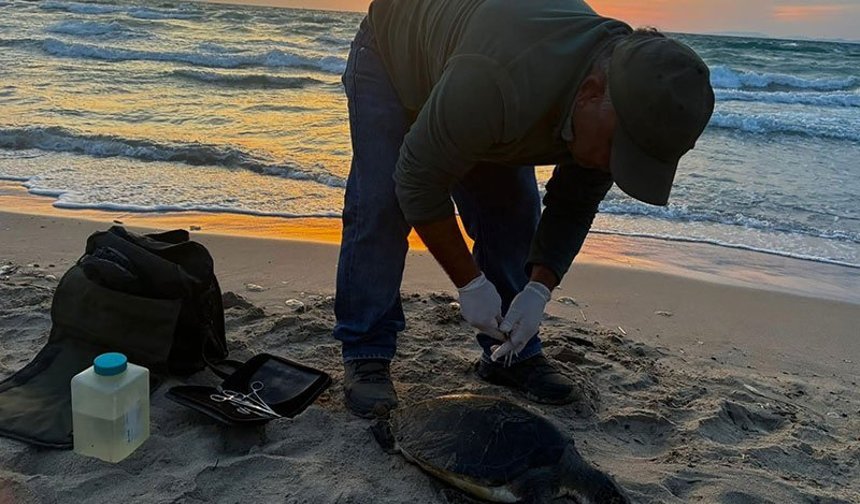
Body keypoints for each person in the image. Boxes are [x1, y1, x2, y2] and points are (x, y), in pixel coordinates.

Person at [333, 0, 715, 418]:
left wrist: (538, 290)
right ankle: (366, 349)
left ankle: (512, 353)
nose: (614, 164)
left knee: (513, 214)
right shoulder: (499, 78)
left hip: (475, 75)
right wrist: (469, 284)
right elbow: (417, 181)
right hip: (394, 53)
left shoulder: (627, 101)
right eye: (616, 150)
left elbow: (575, 201)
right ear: (589, 93)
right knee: (381, 206)